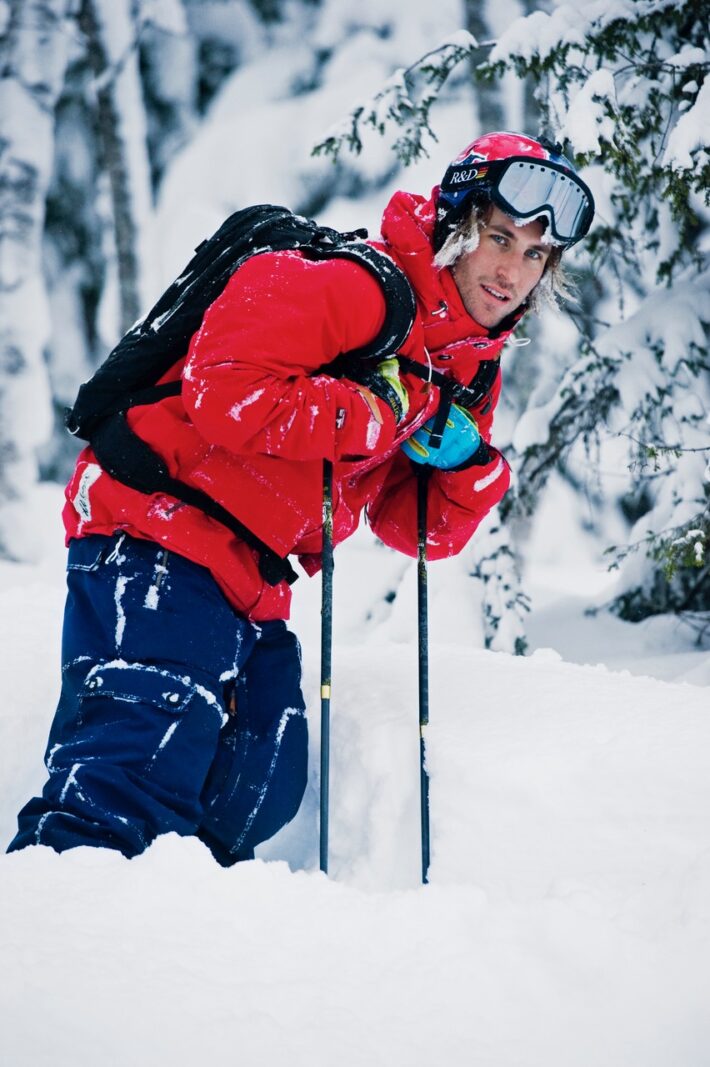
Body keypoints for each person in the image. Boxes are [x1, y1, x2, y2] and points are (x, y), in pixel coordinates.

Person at [7, 131, 594, 865]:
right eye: (500, 237)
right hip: (156, 531)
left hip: (253, 582)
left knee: (264, 781)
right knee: (135, 764)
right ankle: (71, 907)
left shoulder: (466, 371)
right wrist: (377, 411)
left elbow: (414, 527)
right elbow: (221, 388)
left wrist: (469, 463)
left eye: (534, 254)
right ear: (456, 228)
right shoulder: (352, 284)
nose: (512, 270)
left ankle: (172, 925)